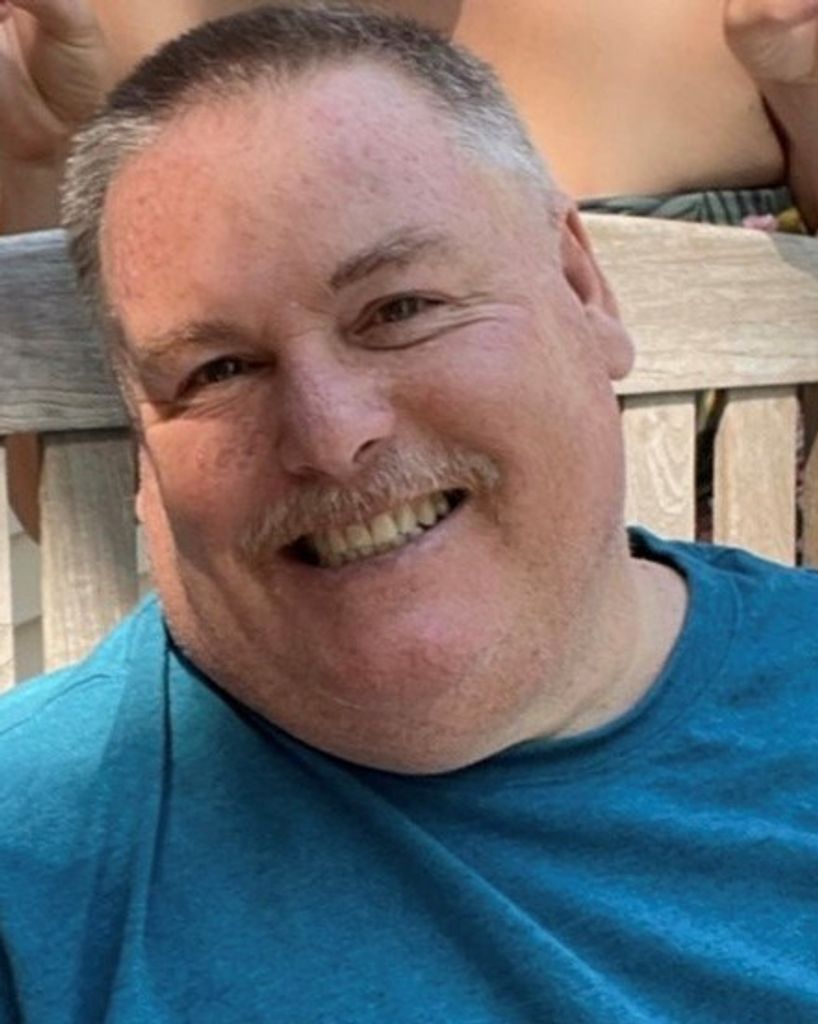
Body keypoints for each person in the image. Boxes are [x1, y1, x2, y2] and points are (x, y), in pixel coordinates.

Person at [2, 5, 818, 1021]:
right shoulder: (34, 863)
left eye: (399, 310)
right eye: (217, 369)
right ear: (139, 444)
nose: (329, 433)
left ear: (582, 288)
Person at [2, 0, 817, 541]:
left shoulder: (750, 24)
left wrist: (805, 97)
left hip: (731, 672)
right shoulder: (73, 38)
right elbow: (76, 522)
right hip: (291, 708)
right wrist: (34, 160)